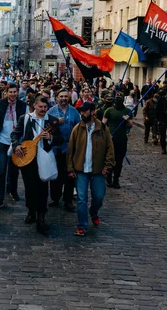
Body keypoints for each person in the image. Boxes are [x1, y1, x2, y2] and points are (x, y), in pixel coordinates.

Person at [11, 96, 63, 234]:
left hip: (44, 158)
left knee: (43, 187)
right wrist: (16, 146)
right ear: (34, 106)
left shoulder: (52, 121)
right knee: (29, 187)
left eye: (45, 107)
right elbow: (15, 134)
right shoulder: (26, 118)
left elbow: (60, 138)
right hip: (29, 159)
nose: (43, 109)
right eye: (40, 107)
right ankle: (31, 211)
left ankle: (41, 216)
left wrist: (51, 138)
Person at [67, 101, 115, 237]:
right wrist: (70, 168)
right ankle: (82, 225)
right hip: (81, 169)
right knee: (81, 198)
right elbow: (71, 149)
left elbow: (110, 149)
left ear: (92, 112)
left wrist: (108, 166)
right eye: (81, 111)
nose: (82, 113)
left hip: (98, 169)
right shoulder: (77, 128)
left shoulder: (103, 128)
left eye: (84, 111)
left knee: (98, 196)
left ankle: (93, 212)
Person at [0, 83, 29, 208]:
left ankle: (13, 191)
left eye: (15, 92)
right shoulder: (0, 104)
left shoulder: (23, 105)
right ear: (6, 92)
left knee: (14, 170)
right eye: (10, 92)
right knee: (1, 170)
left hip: (16, 142)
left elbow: (27, 122)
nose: (13, 94)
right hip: (2, 141)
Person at [47, 89, 81, 211]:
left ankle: (68, 200)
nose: (63, 98)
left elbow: (79, 128)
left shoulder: (74, 112)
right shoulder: (51, 111)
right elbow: (46, 128)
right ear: (57, 98)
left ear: (69, 98)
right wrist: (55, 122)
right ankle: (55, 197)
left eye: (66, 96)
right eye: (61, 96)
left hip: (70, 148)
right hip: (56, 148)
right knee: (56, 174)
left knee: (69, 175)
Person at [103, 93, 133, 189]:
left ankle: (116, 179)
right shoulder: (109, 110)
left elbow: (130, 125)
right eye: (117, 98)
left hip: (122, 139)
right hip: (111, 139)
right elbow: (103, 125)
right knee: (110, 160)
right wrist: (107, 135)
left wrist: (127, 120)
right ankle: (108, 178)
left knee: (119, 161)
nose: (118, 100)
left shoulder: (127, 111)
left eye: (120, 99)